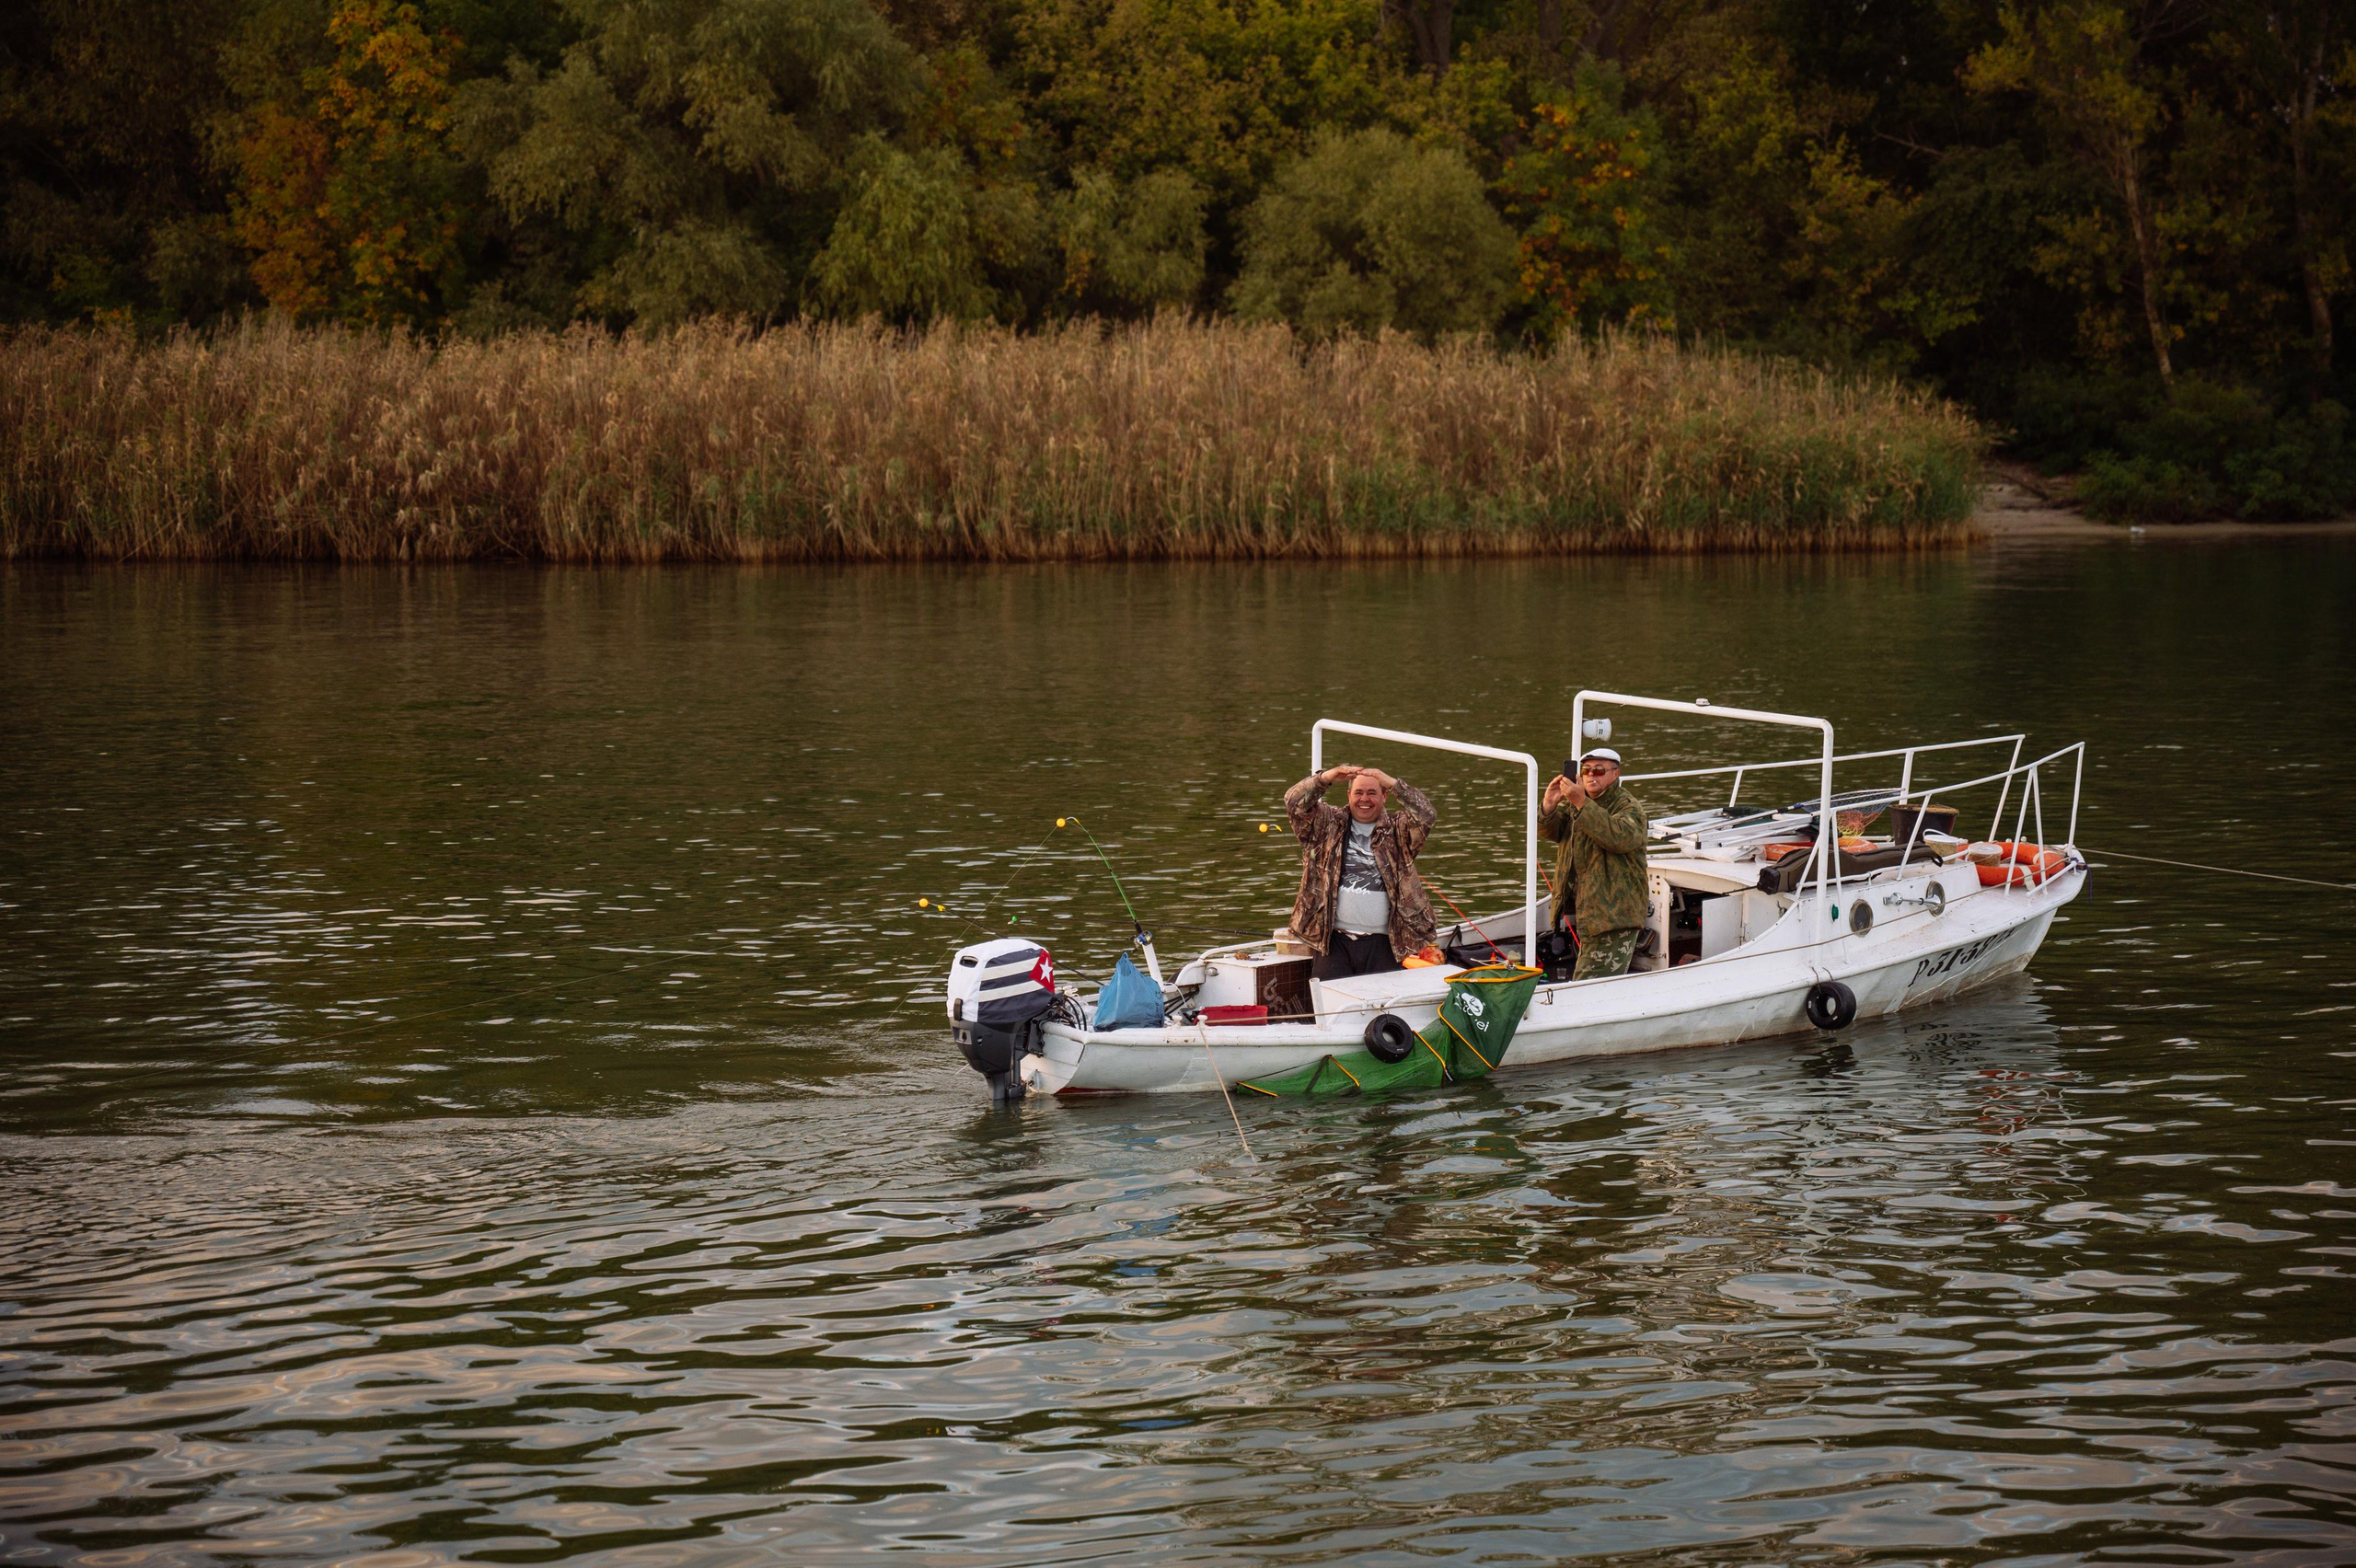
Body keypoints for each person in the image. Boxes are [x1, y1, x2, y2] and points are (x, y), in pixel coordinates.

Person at [1283, 764, 1438, 980]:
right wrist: (1327, 777)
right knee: (1331, 1008)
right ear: (1349, 795)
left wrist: (1393, 783)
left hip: (1385, 943)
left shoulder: (1399, 829)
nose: (1364, 799)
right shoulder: (1326, 822)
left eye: (1372, 793)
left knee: (1382, 1011)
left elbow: (1426, 814)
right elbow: (1293, 802)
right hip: (1332, 942)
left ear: (1384, 796)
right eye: (1358, 792)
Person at [1538, 747, 1651, 979]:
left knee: (1590, 986)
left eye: (1599, 770)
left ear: (1615, 773)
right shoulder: (1577, 802)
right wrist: (1548, 805)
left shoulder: (1629, 807)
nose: (1591, 776)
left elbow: (1617, 837)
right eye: (1586, 770)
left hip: (1614, 919)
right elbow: (1554, 831)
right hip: (1586, 913)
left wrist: (1581, 803)